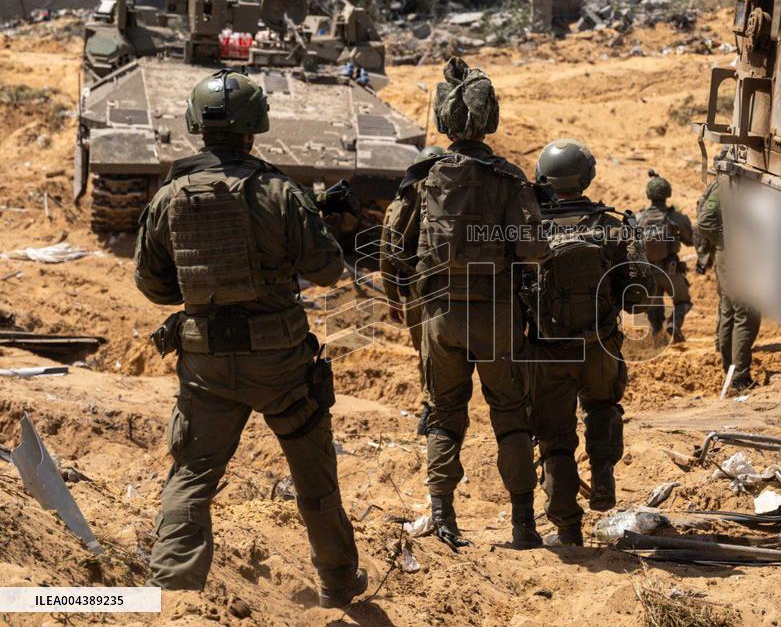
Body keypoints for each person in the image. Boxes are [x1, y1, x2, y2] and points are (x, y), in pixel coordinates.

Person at [134, 69, 366, 608]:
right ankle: (336, 581)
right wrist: (324, 226)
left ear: (197, 125)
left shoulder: (170, 195)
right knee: (314, 476)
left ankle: (173, 597)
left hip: (207, 364)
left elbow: (152, 285)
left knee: (192, 475)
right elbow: (328, 271)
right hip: (282, 365)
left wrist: (203, 288)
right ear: (255, 127)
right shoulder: (281, 192)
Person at [386, 58, 549, 550]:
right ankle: (523, 525)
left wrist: (401, 297)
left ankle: (443, 518)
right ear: (489, 117)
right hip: (496, 318)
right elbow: (532, 248)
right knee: (509, 413)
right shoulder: (508, 179)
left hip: (439, 317)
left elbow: (394, 248)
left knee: (443, 413)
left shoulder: (422, 177)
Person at [524, 139, 651, 543]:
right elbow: (638, 297)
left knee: (554, 435)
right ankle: (603, 479)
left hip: (547, 350)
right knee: (602, 408)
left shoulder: (528, 230)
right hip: (599, 345)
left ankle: (566, 525)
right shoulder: (612, 227)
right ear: (587, 176)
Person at [380, 146, 447, 436]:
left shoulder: (400, 202)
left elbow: (386, 253)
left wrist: (393, 298)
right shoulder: (454, 197)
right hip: (457, 285)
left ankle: (431, 411)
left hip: (417, 290)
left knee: (425, 353)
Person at [695, 150, 761, 393]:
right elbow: (705, 222)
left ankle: (731, 372)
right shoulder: (725, 186)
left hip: (730, 256)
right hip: (735, 255)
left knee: (729, 312)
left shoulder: (727, 184)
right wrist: (730, 241)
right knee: (745, 314)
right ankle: (739, 378)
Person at [637, 171, 694, 341]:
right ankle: (674, 325)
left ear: (649, 195)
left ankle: (656, 333)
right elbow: (690, 241)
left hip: (647, 270)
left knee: (653, 306)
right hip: (670, 270)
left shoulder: (639, 218)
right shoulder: (676, 217)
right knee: (683, 302)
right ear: (668, 194)